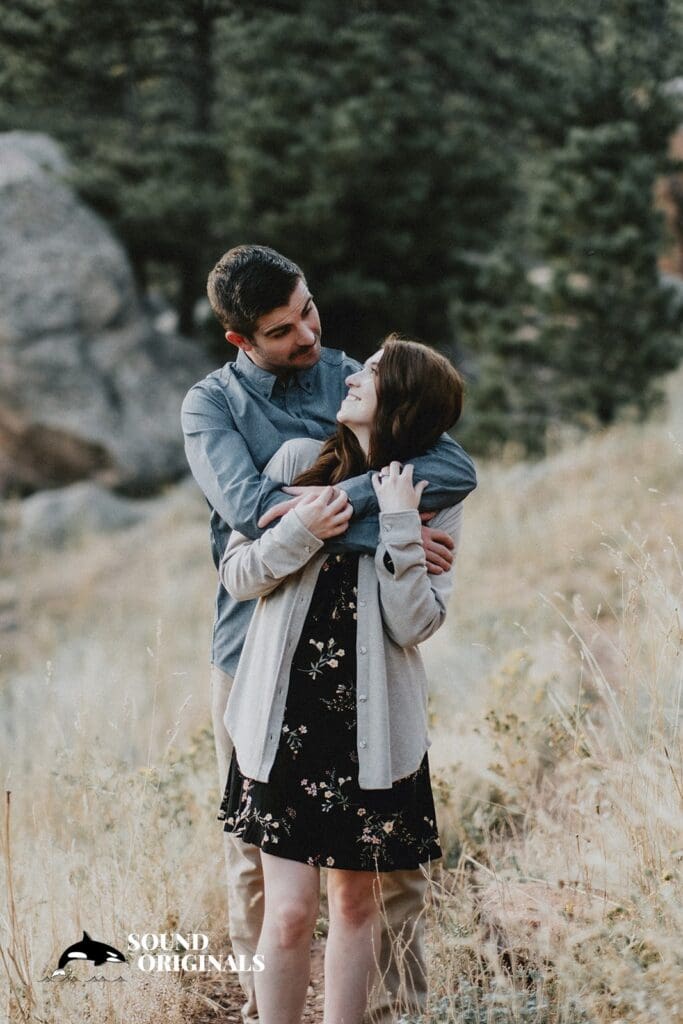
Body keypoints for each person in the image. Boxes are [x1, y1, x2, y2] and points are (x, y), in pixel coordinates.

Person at [181, 245, 476, 1023]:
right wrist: (370, 516)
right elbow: (253, 515)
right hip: (255, 654)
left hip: (368, 674)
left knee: (382, 888)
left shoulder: (349, 372)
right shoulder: (211, 408)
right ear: (241, 340)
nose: (310, 336)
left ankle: (389, 1015)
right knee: (266, 884)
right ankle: (262, 1010)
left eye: (308, 310)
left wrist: (382, 514)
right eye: (283, 329)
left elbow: (450, 466)